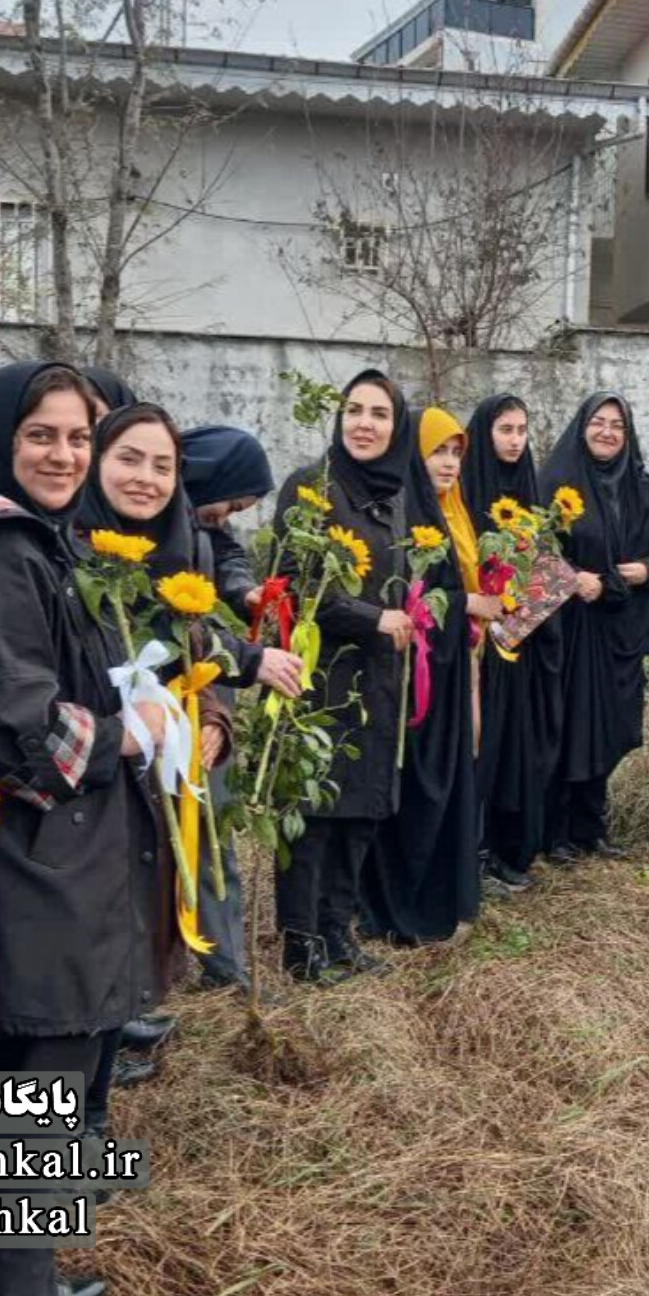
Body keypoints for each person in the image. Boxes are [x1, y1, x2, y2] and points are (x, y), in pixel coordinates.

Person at [0, 361, 158, 1296]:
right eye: (41, 438)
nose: (63, 456)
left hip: (42, 851)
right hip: (36, 856)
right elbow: (16, 726)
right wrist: (129, 736)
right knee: (40, 1072)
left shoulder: (30, 537)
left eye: (75, 439)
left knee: (5, 1075)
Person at [271, 370, 416, 982]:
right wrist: (371, 617)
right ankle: (301, 945)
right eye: (354, 410)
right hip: (321, 676)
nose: (364, 423)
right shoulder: (311, 488)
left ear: (396, 426)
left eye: (379, 413)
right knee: (315, 814)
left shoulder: (396, 497)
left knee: (360, 809)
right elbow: (297, 584)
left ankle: (338, 933)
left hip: (377, 679)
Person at [363, 407, 487, 943]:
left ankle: (438, 896)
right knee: (415, 787)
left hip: (452, 668)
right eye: (439, 450)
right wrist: (470, 603)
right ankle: (399, 907)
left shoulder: (452, 512)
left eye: (457, 452)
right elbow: (409, 599)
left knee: (447, 782)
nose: (450, 463)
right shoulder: (405, 511)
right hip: (414, 678)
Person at [542, 392, 649, 860]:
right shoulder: (556, 483)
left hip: (621, 626)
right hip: (570, 626)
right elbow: (533, 551)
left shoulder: (640, 486)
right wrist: (576, 579)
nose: (607, 432)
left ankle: (591, 828)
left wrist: (647, 570)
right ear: (581, 428)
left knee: (611, 725)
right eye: (598, 422)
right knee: (569, 724)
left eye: (617, 425)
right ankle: (556, 831)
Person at [181, 423, 280, 986]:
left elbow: (229, 555)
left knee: (212, 831)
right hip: (169, 697)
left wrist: (243, 590)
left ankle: (225, 966)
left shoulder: (199, 524)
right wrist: (247, 659)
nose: (230, 514)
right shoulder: (151, 526)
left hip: (203, 688)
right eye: (231, 502)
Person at [463, 394, 564, 892]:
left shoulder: (529, 492)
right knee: (482, 749)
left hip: (519, 646)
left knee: (513, 751)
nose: (515, 440)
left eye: (522, 430)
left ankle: (506, 850)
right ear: (485, 434)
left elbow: (545, 567)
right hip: (479, 648)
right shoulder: (465, 492)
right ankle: (473, 855)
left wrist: (527, 607)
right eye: (505, 429)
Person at [183, 424, 277, 624]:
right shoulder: (151, 515)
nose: (222, 520)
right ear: (215, 482)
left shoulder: (206, 522)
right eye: (231, 507)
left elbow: (226, 555)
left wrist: (244, 592)